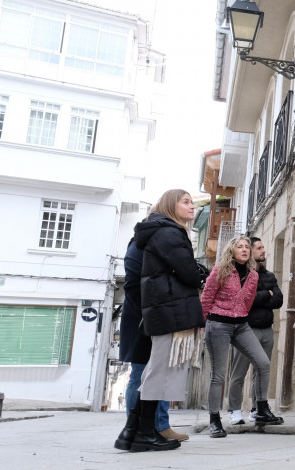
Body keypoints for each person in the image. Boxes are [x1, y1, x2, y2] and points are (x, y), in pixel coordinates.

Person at [114, 190, 206, 452]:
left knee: (154, 372)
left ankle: (134, 431)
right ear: (169, 206)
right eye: (186, 202)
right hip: (163, 310)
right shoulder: (168, 232)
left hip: (160, 308)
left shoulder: (161, 233)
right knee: (153, 373)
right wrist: (198, 275)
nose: (192, 207)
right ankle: (143, 432)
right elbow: (187, 271)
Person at [202, 236, 283, 437]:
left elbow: (247, 302)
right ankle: (214, 420)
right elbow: (206, 299)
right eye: (240, 247)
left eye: (247, 247)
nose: (245, 250)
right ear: (232, 250)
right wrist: (205, 326)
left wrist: (241, 315)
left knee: (263, 363)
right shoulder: (220, 270)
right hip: (218, 323)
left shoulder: (253, 275)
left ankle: (261, 407)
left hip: (241, 324)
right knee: (219, 374)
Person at [118, 237, 186, 442]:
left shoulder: (159, 244)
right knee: (140, 373)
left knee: (160, 372)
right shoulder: (138, 244)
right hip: (141, 317)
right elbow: (133, 284)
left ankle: (159, 426)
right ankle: (135, 426)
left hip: (157, 315)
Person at [226, 236, 283, 425]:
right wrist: (266, 294)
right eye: (259, 248)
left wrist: (259, 298)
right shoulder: (241, 274)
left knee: (262, 370)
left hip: (266, 329)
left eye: (263, 247)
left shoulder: (269, 276)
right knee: (239, 372)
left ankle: (257, 409)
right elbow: (243, 301)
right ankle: (234, 410)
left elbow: (279, 300)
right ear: (249, 251)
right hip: (245, 329)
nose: (263, 251)